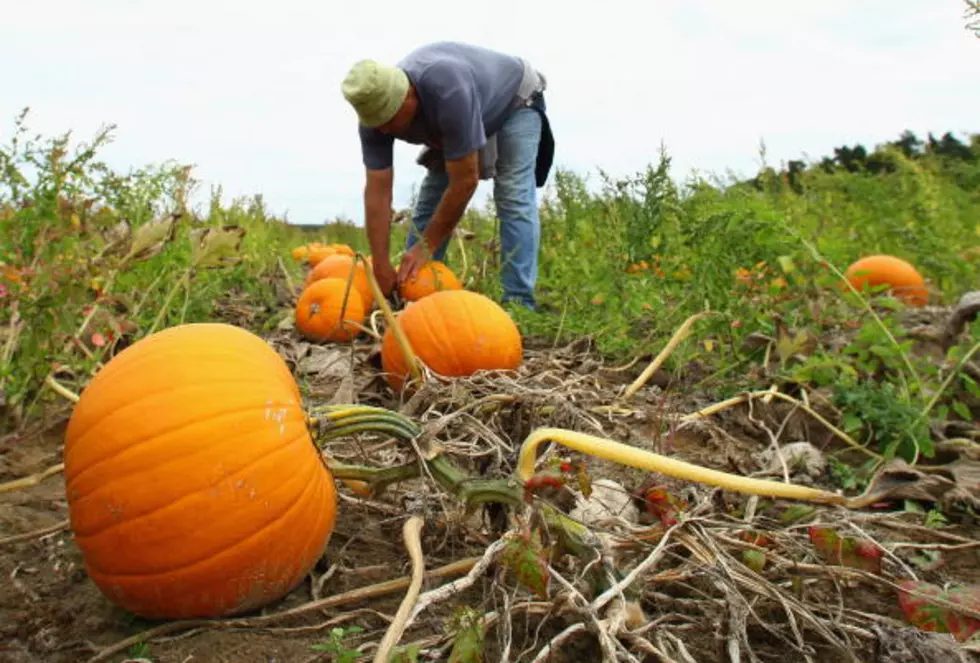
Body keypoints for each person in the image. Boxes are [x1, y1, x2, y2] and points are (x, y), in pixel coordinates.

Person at [340, 41, 554, 310]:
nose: (385, 130)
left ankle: (519, 304)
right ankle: (417, 297)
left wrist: (426, 246)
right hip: (458, 115)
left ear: (410, 96)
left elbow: (465, 181)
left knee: (512, 194)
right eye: (377, 124)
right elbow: (377, 195)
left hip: (515, 100)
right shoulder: (374, 119)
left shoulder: (448, 91)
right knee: (431, 197)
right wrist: (381, 265)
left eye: (390, 120)